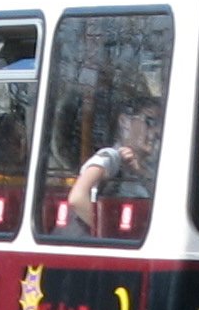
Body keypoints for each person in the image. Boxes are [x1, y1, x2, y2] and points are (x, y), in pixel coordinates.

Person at [65, 95, 163, 230]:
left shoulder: (145, 168)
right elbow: (77, 197)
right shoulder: (111, 157)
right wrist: (106, 233)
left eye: (160, 124)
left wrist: (139, 171)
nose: (157, 131)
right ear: (125, 122)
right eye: (150, 122)